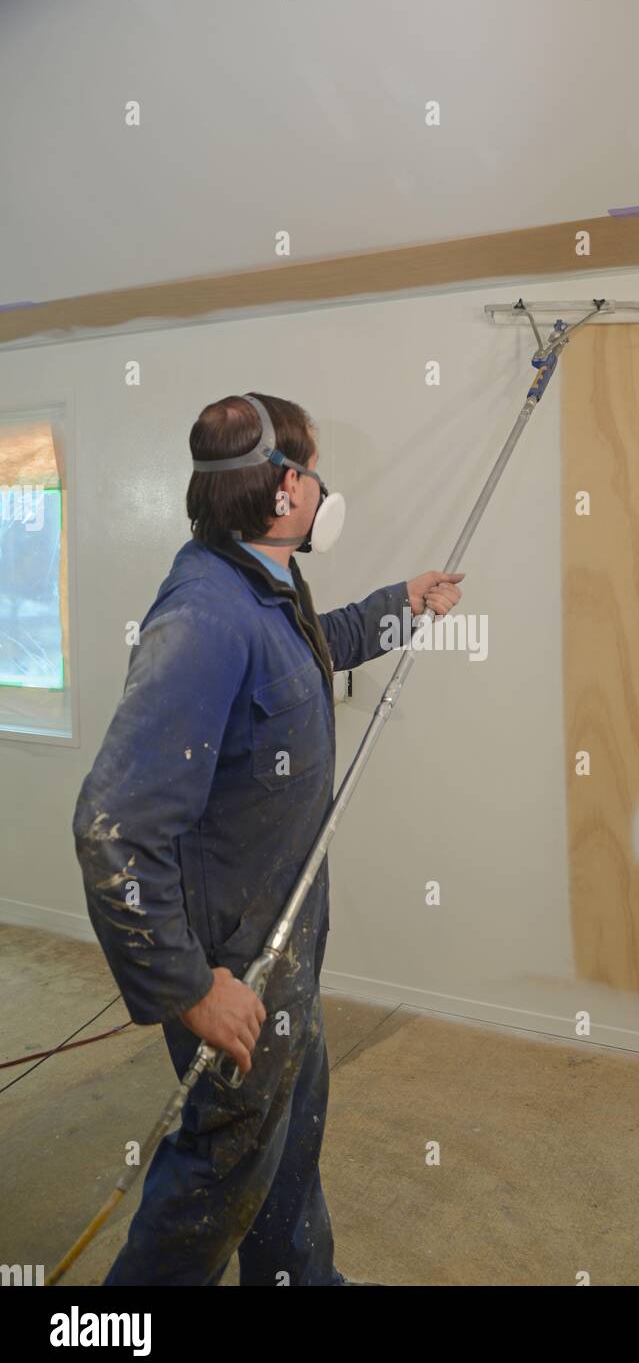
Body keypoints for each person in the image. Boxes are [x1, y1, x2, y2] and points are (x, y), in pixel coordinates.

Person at [73, 392, 463, 1286]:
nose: (327, 491)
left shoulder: (257, 582)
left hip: (280, 939)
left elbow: (297, 656)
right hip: (233, 961)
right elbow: (112, 828)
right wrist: (188, 986)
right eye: (317, 474)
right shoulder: (203, 617)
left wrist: (394, 608)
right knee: (220, 1168)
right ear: (285, 489)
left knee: (288, 1133)